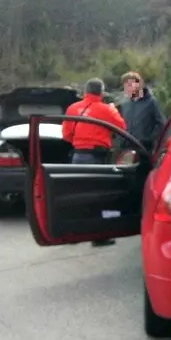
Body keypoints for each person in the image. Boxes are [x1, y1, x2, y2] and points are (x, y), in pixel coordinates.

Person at [62, 78, 126, 247]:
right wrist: (113, 110)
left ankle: (73, 234)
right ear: (102, 93)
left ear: (85, 91)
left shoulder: (72, 108)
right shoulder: (106, 110)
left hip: (77, 156)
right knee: (99, 196)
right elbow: (121, 127)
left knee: (77, 195)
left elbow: (66, 135)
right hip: (97, 157)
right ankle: (99, 236)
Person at [118, 72, 165, 152]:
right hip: (126, 148)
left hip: (144, 148)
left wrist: (148, 139)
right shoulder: (125, 104)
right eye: (125, 86)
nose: (127, 88)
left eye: (129, 85)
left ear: (138, 84)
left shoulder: (151, 102)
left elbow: (161, 123)